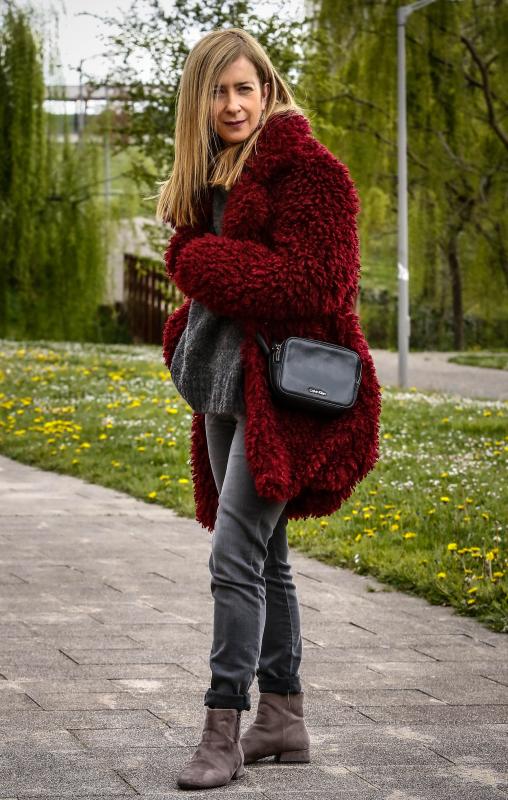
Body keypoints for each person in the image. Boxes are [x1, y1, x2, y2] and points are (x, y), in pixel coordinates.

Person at [156, 27, 382, 792]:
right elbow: (233, 285)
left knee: (233, 553)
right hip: (224, 384)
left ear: (268, 90)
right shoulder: (210, 176)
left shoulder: (312, 174)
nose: (232, 103)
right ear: (200, 100)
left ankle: (221, 729)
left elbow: (314, 283)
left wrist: (195, 262)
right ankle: (283, 720)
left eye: (244, 88)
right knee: (265, 556)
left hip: (286, 395)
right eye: (218, 90)